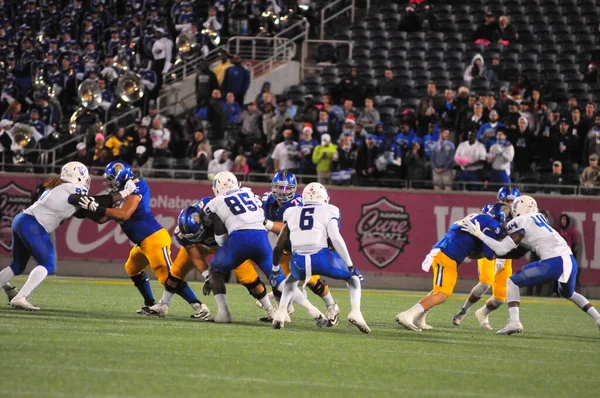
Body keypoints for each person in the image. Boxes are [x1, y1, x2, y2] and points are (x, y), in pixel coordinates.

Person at [78, 161, 208, 317]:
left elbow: (125, 214)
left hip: (154, 238)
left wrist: (99, 207)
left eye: (112, 177)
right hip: (143, 243)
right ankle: (152, 304)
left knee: (167, 277)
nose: (109, 181)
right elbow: (101, 219)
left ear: (121, 176)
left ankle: (199, 307)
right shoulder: (119, 192)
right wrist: (86, 208)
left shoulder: (137, 185)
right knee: (132, 267)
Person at [459, 195, 600, 334]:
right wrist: (495, 255)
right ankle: (598, 317)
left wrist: (480, 235)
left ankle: (514, 322)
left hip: (555, 261)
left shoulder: (520, 220)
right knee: (569, 293)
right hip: (569, 260)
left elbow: (502, 248)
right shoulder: (539, 218)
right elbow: (519, 252)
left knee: (512, 282)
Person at [144, 198, 276, 321]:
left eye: (195, 234)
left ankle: (270, 310)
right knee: (177, 270)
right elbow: (196, 257)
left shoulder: (213, 212)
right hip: (201, 246)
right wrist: (207, 276)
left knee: (249, 279)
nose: (193, 238)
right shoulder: (185, 234)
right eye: (190, 236)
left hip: (227, 244)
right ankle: (164, 304)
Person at [271, 182, 370, 333]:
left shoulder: (291, 212)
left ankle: (280, 313)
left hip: (298, 261)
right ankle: (356, 312)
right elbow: (335, 238)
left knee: (291, 281)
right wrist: (350, 265)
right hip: (321, 256)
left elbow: (280, 243)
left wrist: (275, 267)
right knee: (353, 278)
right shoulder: (330, 210)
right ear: (325, 198)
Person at [395, 204, 508, 331]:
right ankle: (408, 314)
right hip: (445, 255)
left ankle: (418, 318)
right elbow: (489, 254)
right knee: (442, 294)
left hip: (446, 254)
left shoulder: (478, 218)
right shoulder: (489, 222)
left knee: (438, 291)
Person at [0, 162, 91, 310]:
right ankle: (21, 297)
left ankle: (17, 295)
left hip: (21, 220)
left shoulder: (58, 186)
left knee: (17, 265)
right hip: (33, 225)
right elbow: (75, 199)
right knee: (48, 263)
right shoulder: (73, 187)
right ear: (79, 177)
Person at [204, 171, 286, 322]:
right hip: (260, 238)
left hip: (237, 242)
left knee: (216, 271)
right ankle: (284, 312)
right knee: (277, 278)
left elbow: (221, 239)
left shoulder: (214, 203)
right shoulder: (249, 193)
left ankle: (224, 313)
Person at [261, 171, 340, 325]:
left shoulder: (298, 203)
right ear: (273, 187)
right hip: (285, 246)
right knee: (277, 279)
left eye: (287, 189)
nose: (283, 193)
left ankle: (332, 306)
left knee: (311, 280)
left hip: (303, 244)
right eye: (279, 188)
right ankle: (283, 311)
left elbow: (285, 228)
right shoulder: (268, 201)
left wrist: (265, 223)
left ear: (295, 188)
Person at [453, 186, 521, 328]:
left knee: (500, 298)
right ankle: (463, 311)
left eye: (511, 201)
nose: (508, 204)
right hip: (489, 249)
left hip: (506, 255)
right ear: (499, 200)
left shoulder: (519, 216)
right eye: (505, 201)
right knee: (485, 283)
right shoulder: (492, 209)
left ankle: (482, 313)